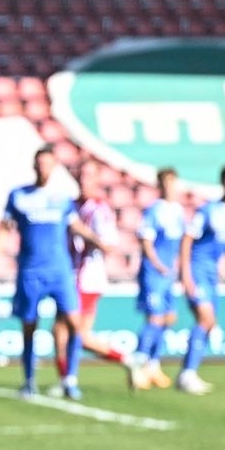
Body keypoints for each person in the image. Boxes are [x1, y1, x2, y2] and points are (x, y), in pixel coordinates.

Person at [0, 146, 107, 399]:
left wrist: (97, 240)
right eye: (40, 163)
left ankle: (70, 379)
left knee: (75, 324)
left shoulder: (62, 198)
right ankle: (29, 380)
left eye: (48, 164)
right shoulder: (19, 196)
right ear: (34, 166)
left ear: (54, 167)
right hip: (30, 272)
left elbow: (75, 226)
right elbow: (5, 228)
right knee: (29, 327)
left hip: (60, 271)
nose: (43, 168)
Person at [176, 164, 225, 395]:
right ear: (223, 182)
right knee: (205, 319)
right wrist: (185, 274)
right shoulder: (209, 210)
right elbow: (187, 239)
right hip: (197, 269)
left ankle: (187, 373)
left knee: (209, 324)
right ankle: (187, 374)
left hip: (212, 275)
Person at [65, 162, 136, 391]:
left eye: (88, 175)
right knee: (63, 332)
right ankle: (66, 380)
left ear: (96, 180)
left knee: (78, 335)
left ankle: (126, 360)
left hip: (87, 279)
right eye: (81, 174)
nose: (83, 180)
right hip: (69, 277)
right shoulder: (72, 205)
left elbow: (109, 246)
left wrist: (84, 233)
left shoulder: (99, 210)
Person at [130, 167, 188, 390]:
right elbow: (145, 241)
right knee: (154, 318)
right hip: (154, 273)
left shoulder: (178, 211)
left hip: (168, 274)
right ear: (159, 186)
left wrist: (178, 269)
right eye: (164, 183)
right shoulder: (154, 210)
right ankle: (137, 363)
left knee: (168, 318)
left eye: (172, 183)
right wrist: (158, 265)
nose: (168, 187)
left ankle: (153, 365)